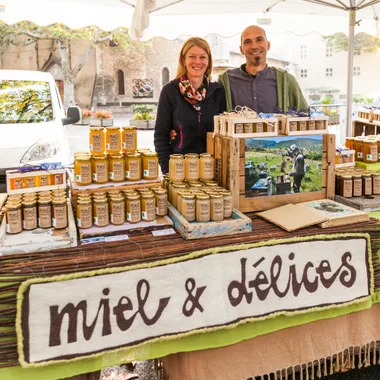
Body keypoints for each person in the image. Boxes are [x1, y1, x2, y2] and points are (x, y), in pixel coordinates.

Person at [154, 37, 226, 174]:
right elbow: (160, 136)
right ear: (183, 60)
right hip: (180, 169)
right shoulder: (170, 91)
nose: (198, 62)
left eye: (202, 57)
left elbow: (224, 133)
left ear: (208, 61)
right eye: (192, 57)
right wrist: (167, 171)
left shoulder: (218, 92)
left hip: (211, 169)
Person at [218, 25, 308, 113]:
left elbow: (306, 117)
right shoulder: (226, 81)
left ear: (268, 45)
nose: (254, 46)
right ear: (241, 49)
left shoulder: (287, 81)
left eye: (259, 40)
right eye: (247, 42)